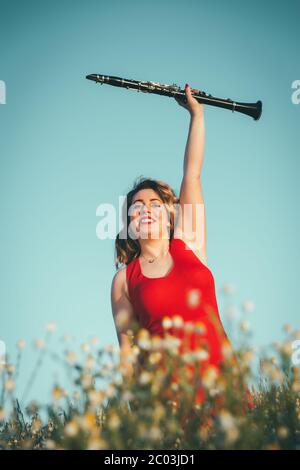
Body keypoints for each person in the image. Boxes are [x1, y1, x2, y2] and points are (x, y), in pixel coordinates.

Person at [111, 84, 234, 406]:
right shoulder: (124, 280)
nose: (146, 209)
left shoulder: (189, 242)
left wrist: (197, 114)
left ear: (169, 216)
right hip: (169, 402)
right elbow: (129, 354)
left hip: (225, 390)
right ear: (129, 225)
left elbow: (192, 175)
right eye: (137, 206)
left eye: (154, 203)